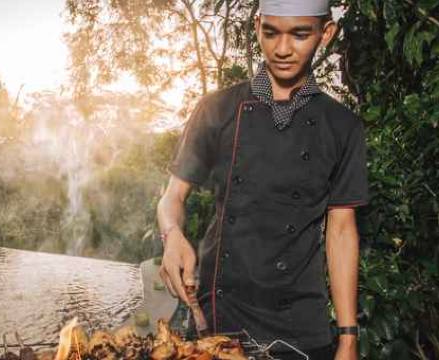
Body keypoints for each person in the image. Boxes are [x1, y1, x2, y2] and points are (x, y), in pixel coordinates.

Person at [156, 1, 369, 359]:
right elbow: (172, 197)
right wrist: (172, 234)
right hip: (220, 312)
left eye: (300, 34)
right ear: (257, 27)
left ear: (325, 34)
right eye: (271, 32)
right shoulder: (217, 108)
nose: (282, 49)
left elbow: (342, 230)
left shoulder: (342, 127)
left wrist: (348, 336)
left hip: (299, 324)